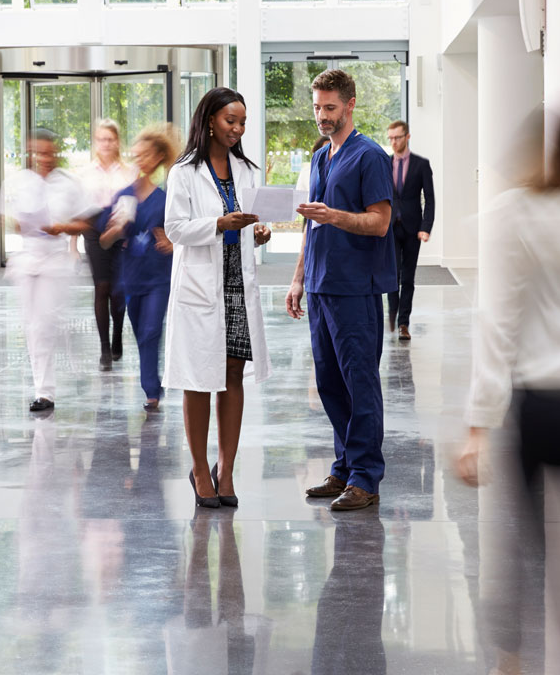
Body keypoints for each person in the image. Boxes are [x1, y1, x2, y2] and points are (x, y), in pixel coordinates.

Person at [456, 120, 560, 675]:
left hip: (541, 404)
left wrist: (478, 425)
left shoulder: (515, 212)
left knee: (525, 547)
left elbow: (498, 323)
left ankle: (513, 660)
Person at [286, 69, 396, 511]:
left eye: (330, 108)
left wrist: (337, 216)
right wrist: (297, 278)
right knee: (330, 382)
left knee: (359, 382)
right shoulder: (319, 158)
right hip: (319, 284)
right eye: (316, 107)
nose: (322, 116)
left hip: (356, 287)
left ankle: (366, 476)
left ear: (350, 105)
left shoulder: (369, 157)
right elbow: (311, 224)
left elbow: (381, 221)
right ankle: (345, 467)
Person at [163, 87, 272, 509]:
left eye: (242, 122)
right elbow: (175, 229)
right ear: (210, 120)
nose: (238, 129)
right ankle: (198, 468)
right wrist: (219, 224)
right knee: (197, 379)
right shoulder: (184, 172)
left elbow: (246, 225)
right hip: (200, 288)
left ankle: (225, 470)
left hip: (236, 286)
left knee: (232, 373)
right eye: (231, 121)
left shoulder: (246, 169)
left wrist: (254, 233)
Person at [0, 129, 95, 411]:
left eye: (49, 152)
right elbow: (6, 218)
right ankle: (44, 392)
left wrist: (61, 227)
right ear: (30, 153)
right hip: (27, 258)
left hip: (54, 259)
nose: (45, 158)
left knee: (47, 321)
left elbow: (85, 222)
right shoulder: (18, 182)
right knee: (33, 325)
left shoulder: (68, 183)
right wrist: (18, 223)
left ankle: (67, 359)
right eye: (39, 152)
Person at [99, 124, 178, 410]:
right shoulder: (124, 196)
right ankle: (152, 384)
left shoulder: (167, 199)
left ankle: (151, 390)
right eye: (137, 155)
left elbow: (181, 236)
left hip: (159, 276)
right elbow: (105, 240)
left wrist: (172, 243)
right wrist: (116, 230)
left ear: (158, 157)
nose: (140, 160)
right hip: (132, 278)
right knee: (140, 332)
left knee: (150, 330)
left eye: (146, 155)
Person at [78, 119, 138, 371]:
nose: (105, 143)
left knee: (117, 291)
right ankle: (104, 347)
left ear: (117, 142)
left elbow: (134, 203)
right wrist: (72, 245)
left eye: (110, 139)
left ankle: (117, 337)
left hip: (121, 232)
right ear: (95, 142)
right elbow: (78, 211)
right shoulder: (85, 173)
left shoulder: (129, 171)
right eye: (101, 139)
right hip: (93, 232)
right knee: (101, 288)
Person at [386, 120, 435, 341]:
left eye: (397, 137)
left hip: (413, 229)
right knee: (391, 275)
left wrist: (426, 227)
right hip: (390, 228)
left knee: (408, 278)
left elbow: (430, 199)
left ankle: (404, 322)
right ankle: (392, 315)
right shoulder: (384, 164)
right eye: (391, 138)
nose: (394, 142)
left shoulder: (421, 165)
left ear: (407, 137)